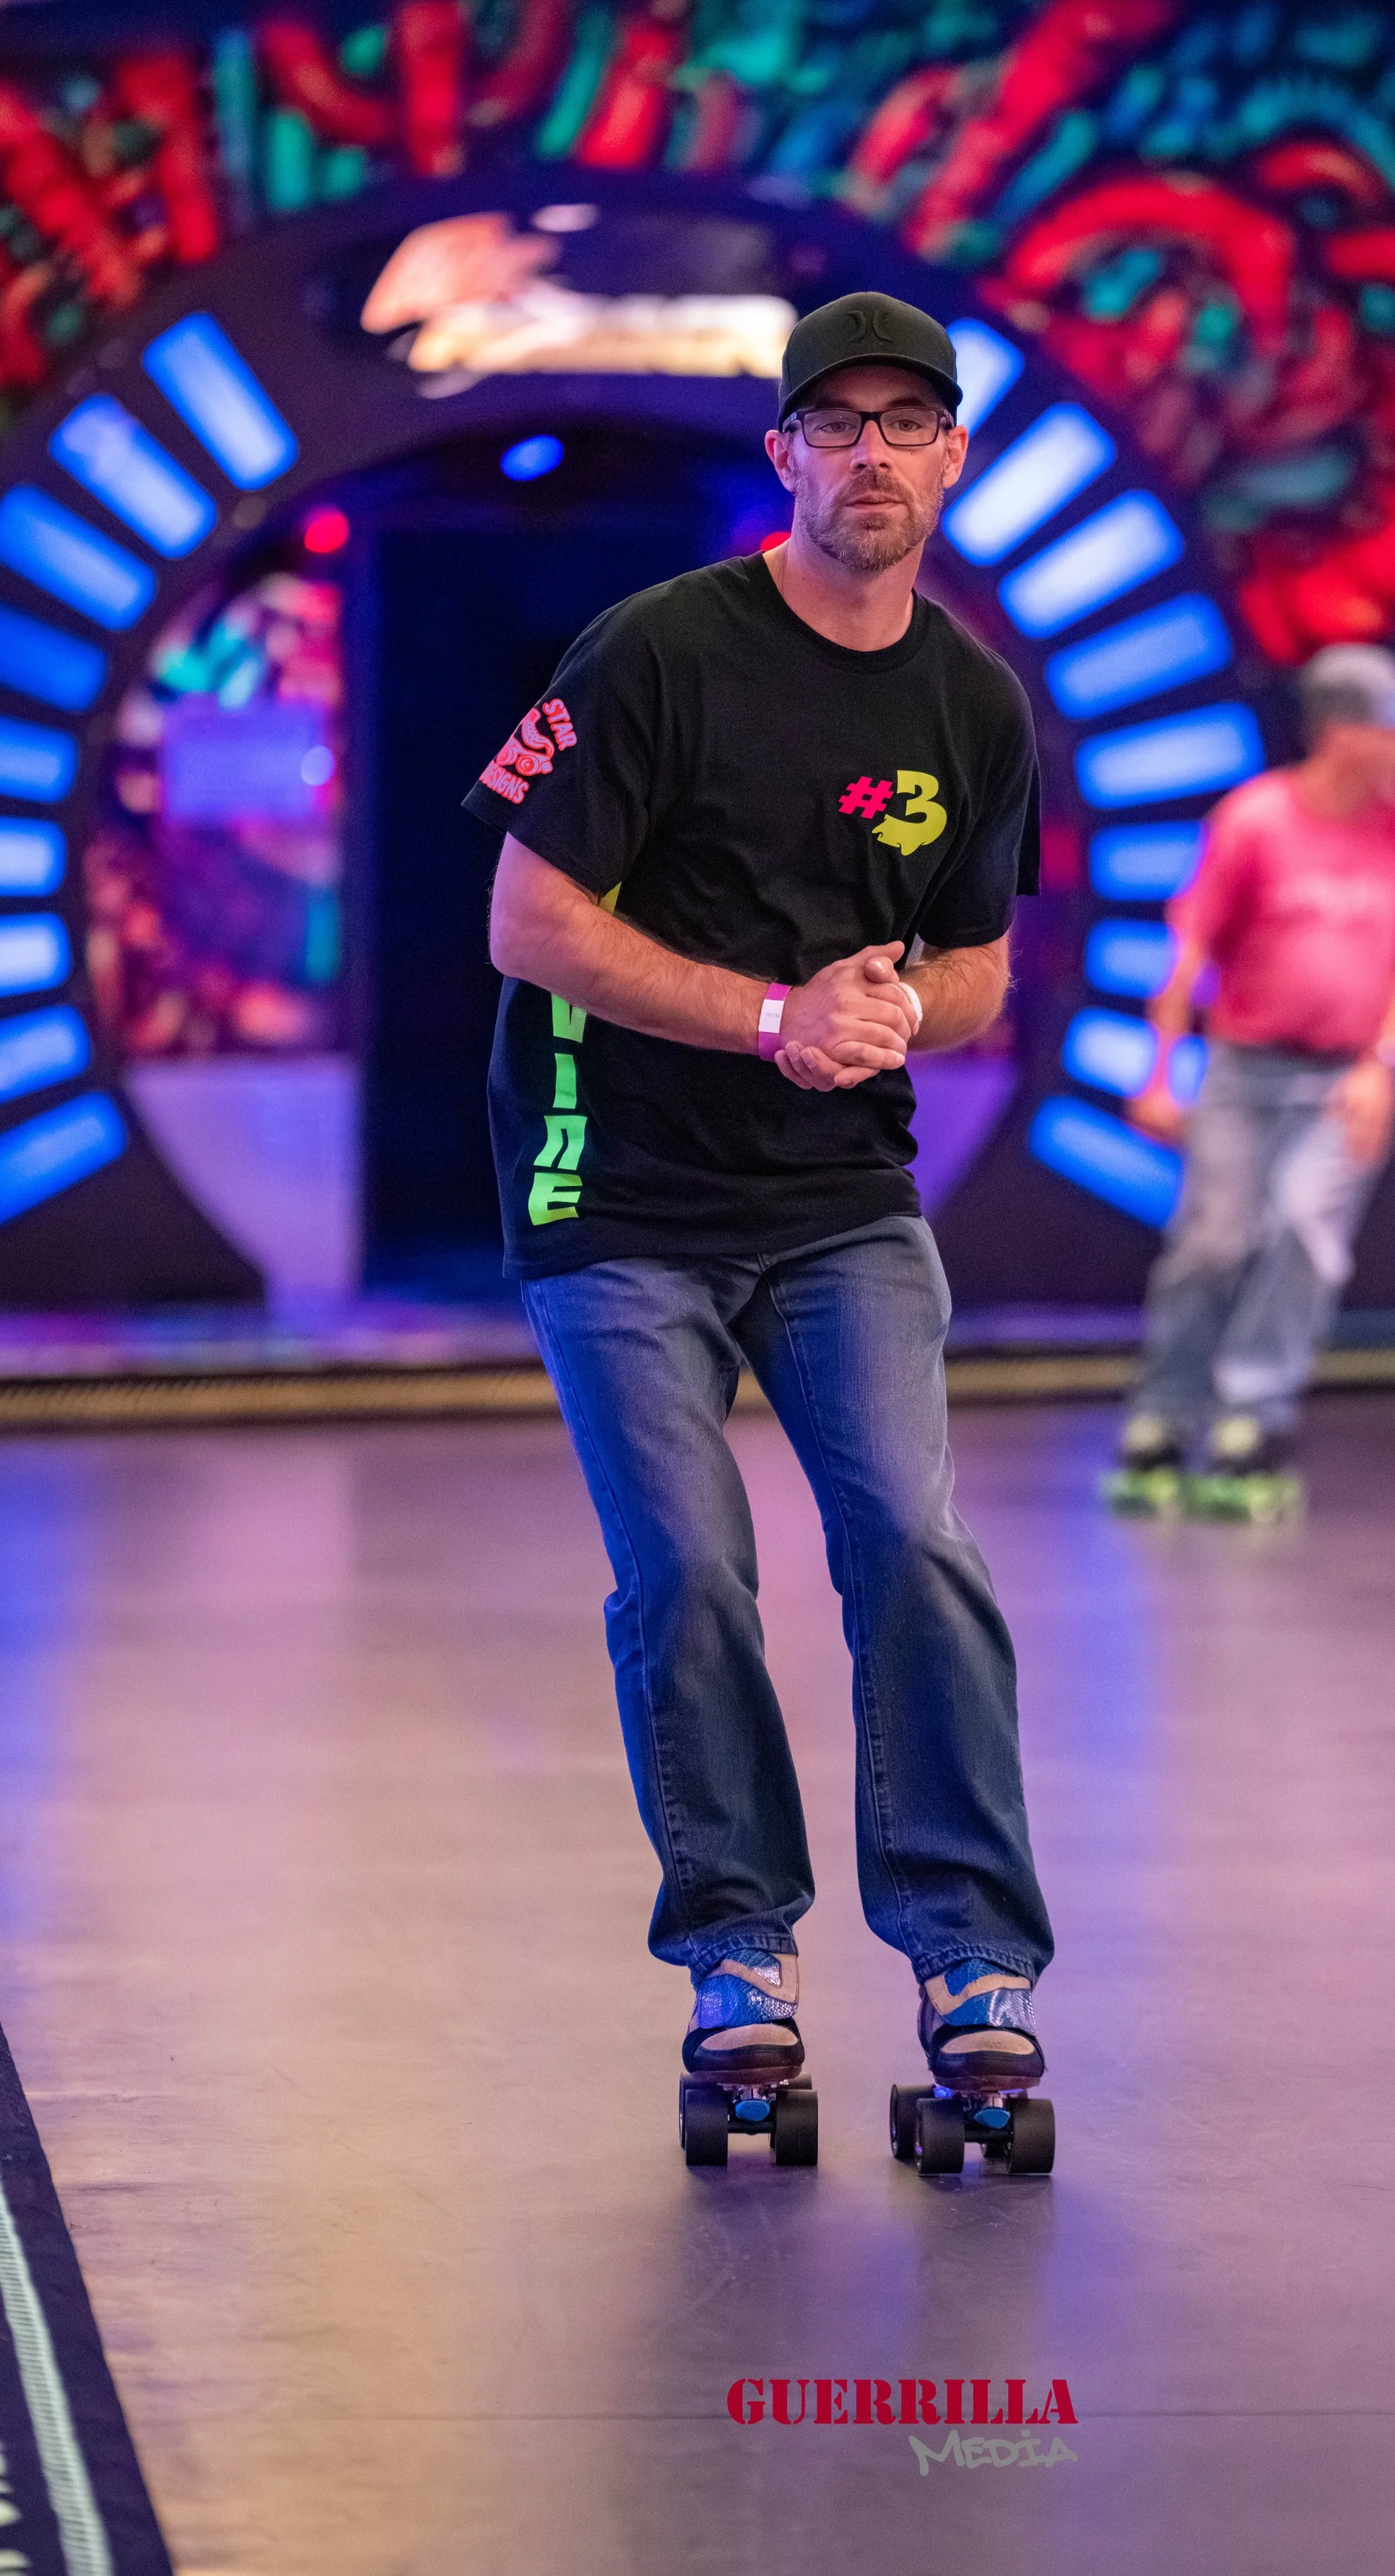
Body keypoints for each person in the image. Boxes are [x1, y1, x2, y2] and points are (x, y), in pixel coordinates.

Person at [462, 291, 1053, 2115]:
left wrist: (897, 1010)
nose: (872, 454)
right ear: (782, 452)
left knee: (915, 1548)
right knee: (689, 1573)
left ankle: (967, 1950)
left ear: (954, 455)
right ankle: (737, 1943)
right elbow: (526, 923)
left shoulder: (972, 701)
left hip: (837, 1200)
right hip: (615, 1186)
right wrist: (772, 1016)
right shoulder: (658, 651)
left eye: (906, 422)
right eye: (837, 424)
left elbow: (980, 964)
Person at [1105, 643, 1395, 1516]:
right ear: (1343, 734)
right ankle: (1164, 1413)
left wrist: (1384, 1064)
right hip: (1244, 1072)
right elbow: (1189, 950)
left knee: (1307, 1232)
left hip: (1346, 1079)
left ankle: (1253, 1416)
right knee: (1215, 1241)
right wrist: (1157, 1076)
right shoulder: (1257, 819)